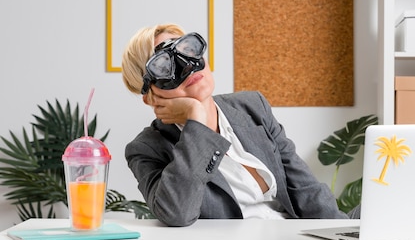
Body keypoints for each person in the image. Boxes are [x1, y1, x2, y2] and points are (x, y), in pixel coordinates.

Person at [121, 23, 357, 226]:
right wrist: (196, 119)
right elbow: (177, 213)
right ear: (151, 96)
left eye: (187, 49)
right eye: (164, 66)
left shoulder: (252, 106)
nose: (187, 65)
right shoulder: (146, 149)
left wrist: (341, 238)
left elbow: (306, 190)